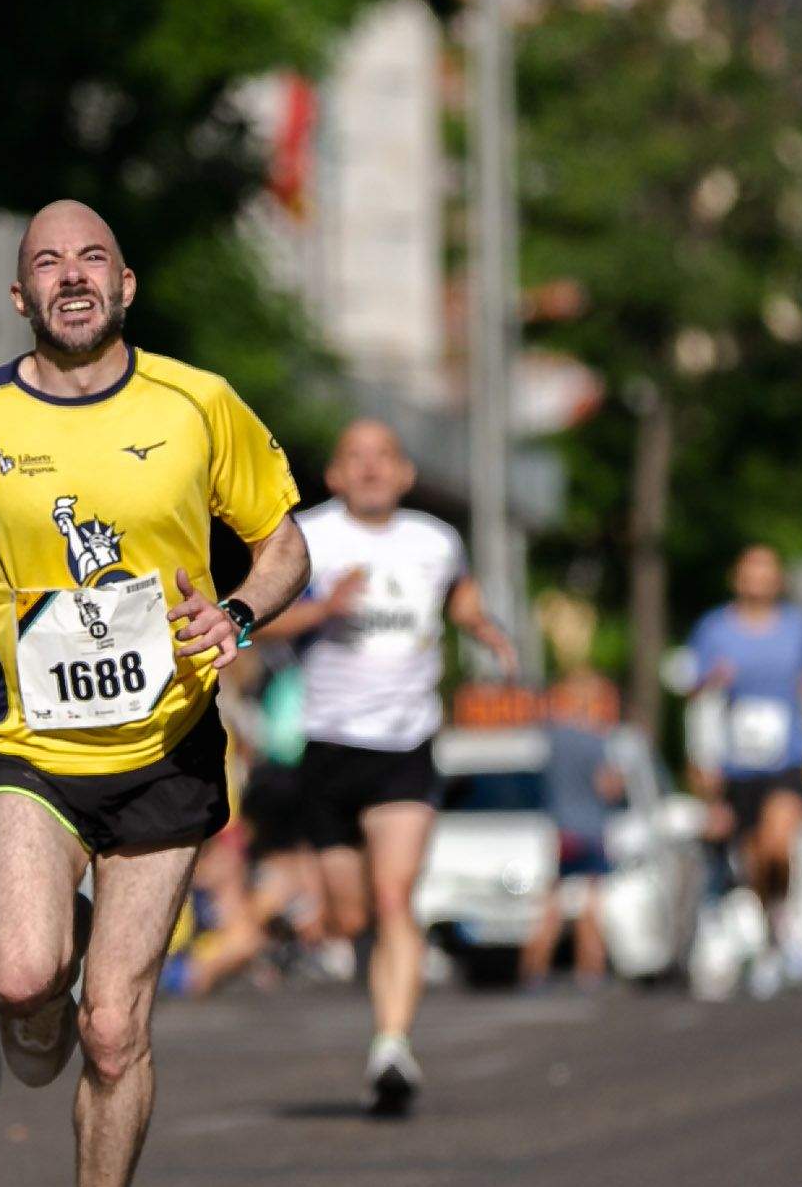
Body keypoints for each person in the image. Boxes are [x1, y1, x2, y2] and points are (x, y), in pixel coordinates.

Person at [0, 199, 307, 1187]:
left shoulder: (195, 402)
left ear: (128, 283)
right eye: (45, 263)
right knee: (23, 978)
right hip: (30, 744)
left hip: (164, 748)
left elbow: (281, 541)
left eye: (91, 259)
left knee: (114, 1025)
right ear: (18, 298)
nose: (71, 277)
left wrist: (234, 612)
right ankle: (40, 982)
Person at [258, 419, 517, 1113]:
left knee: (397, 896)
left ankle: (391, 1044)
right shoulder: (307, 535)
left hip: (405, 742)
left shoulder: (434, 539)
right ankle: (379, 975)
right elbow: (255, 617)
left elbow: (455, 593)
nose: (371, 468)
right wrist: (320, 611)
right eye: (355, 458)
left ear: (403, 473)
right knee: (350, 915)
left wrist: (480, 626)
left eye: (384, 457)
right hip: (328, 742)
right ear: (336, 475)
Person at [685, 546, 802, 913]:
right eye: (750, 570)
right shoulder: (713, 629)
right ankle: (769, 923)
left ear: (778, 580)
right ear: (736, 577)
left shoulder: (800, 629)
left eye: (765, 571)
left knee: (778, 843)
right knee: (755, 855)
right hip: (737, 761)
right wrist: (711, 682)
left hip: (787, 756)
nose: (757, 579)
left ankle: (783, 910)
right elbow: (695, 695)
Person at [519, 673, 625, 989]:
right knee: (590, 907)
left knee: (550, 908)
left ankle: (533, 971)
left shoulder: (552, 737)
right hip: (591, 830)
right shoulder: (596, 740)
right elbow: (608, 787)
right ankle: (589, 972)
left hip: (560, 830)